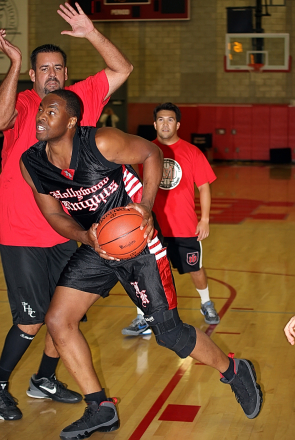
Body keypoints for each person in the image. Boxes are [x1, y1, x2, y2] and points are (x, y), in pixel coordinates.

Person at [20, 90, 262, 440]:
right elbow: (53, 213)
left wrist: (146, 206)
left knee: (170, 334)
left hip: (138, 242)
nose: (41, 115)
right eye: (41, 109)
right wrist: (86, 237)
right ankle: (100, 408)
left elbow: (152, 152)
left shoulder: (100, 142)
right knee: (58, 320)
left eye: (51, 110)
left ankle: (234, 371)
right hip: (97, 243)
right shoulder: (32, 163)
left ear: (72, 121)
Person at [0, 1, 133, 421]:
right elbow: (0, 120)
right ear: (33, 75)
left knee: (63, 316)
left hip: (65, 229)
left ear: (65, 73)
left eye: (58, 68)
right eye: (43, 69)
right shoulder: (22, 102)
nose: (52, 74)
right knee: (32, 318)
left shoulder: (80, 100)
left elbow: (121, 70)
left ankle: (44, 378)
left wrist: (93, 33)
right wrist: (15, 64)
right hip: (19, 229)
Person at [122, 102, 219, 337]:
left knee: (194, 269)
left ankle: (206, 302)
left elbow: (204, 187)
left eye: (170, 120)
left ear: (177, 124)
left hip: (184, 226)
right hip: (151, 227)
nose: (166, 124)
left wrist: (204, 219)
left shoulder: (192, 151)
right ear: (155, 124)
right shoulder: (143, 152)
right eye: (161, 120)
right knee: (144, 273)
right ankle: (142, 317)